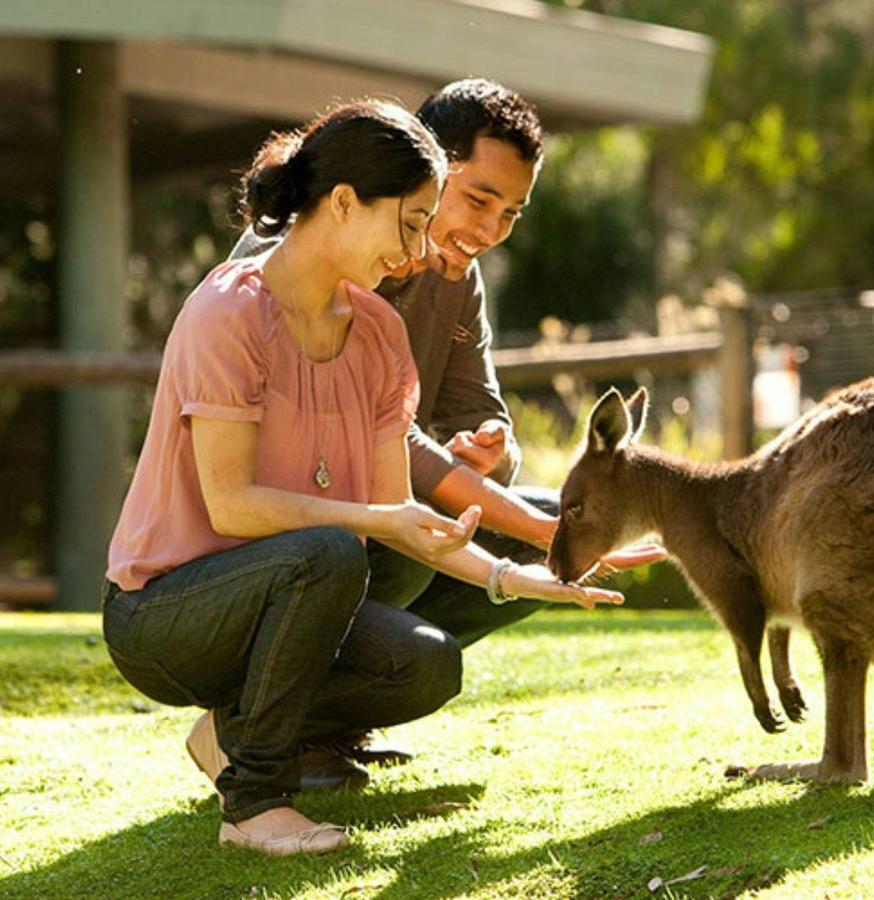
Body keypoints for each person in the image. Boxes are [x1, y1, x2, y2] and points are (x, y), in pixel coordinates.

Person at [102, 100, 623, 857]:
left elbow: (399, 508)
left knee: (426, 662)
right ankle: (253, 806)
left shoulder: (377, 332)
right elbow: (233, 506)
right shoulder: (228, 312)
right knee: (333, 550)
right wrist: (377, 522)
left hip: (293, 577)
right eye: (410, 224)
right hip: (167, 612)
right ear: (344, 203)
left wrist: (511, 576)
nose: (417, 250)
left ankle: (237, 734)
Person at [229, 80, 665, 783]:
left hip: (369, 518)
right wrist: (532, 526)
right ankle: (253, 717)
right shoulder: (311, 258)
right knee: (433, 538)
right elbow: (388, 446)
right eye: (478, 200)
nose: (490, 230)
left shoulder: (458, 277)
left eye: (511, 213)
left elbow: (474, 416)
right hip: (274, 544)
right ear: (428, 166)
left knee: (511, 530)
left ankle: (318, 724)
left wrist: (492, 451)